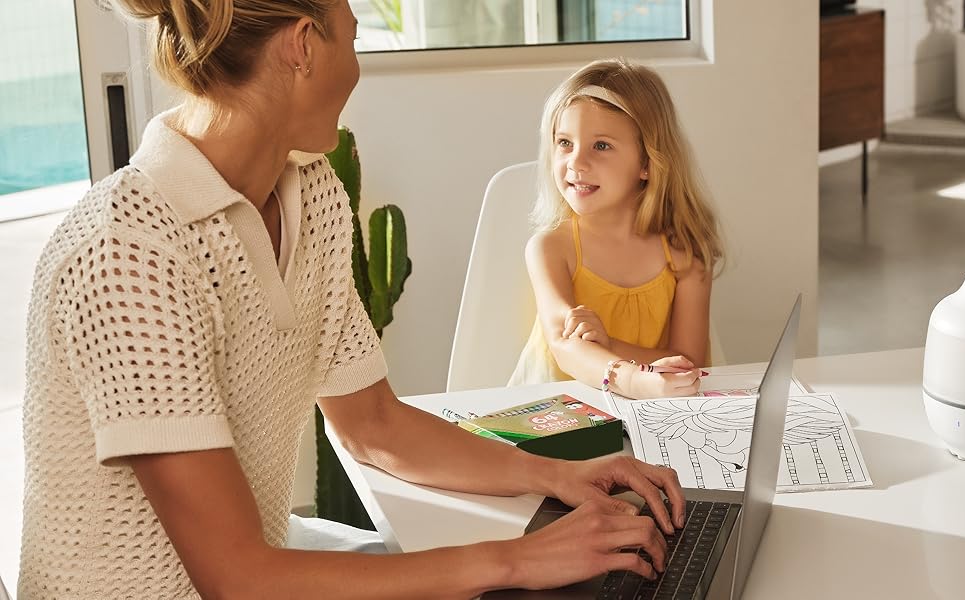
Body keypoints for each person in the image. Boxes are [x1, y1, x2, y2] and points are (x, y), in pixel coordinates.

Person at [18, 1, 683, 597]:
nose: (357, 66)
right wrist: (515, 560)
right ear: (304, 44)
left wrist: (554, 476)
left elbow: (374, 424)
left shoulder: (312, 193)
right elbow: (238, 578)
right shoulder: (129, 253)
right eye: (355, 38)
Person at [511, 59, 725, 400]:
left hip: (652, 411)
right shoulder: (551, 249)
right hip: (559, 415)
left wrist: (608, 344)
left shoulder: (686, 253)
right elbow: (565, 346)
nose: (576, 163)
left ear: (646, 163)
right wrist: (633, 379)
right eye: (565, 143)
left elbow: (689, 363)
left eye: (601, 146)